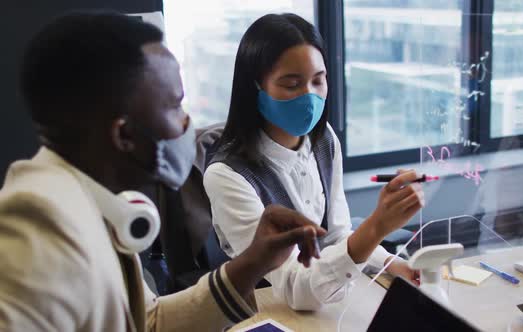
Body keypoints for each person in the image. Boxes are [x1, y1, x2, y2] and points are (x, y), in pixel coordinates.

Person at [0, 11, 325, 332]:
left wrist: (252, 262)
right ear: (123, 135)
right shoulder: (38, 218)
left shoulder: (89, 200)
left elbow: (148, 322)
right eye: (174, 105)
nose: (187, 125)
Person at [203, 13, 425, 311]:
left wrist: (389, 264)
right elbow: (294, 289)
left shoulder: (323, 139)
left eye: (318, 81)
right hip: (264, 308)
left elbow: (336, 235)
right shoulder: (227, 176)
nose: (309, 97)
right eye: (291, 84)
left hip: (325, 296)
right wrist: (376, 227)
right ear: (255, 85)